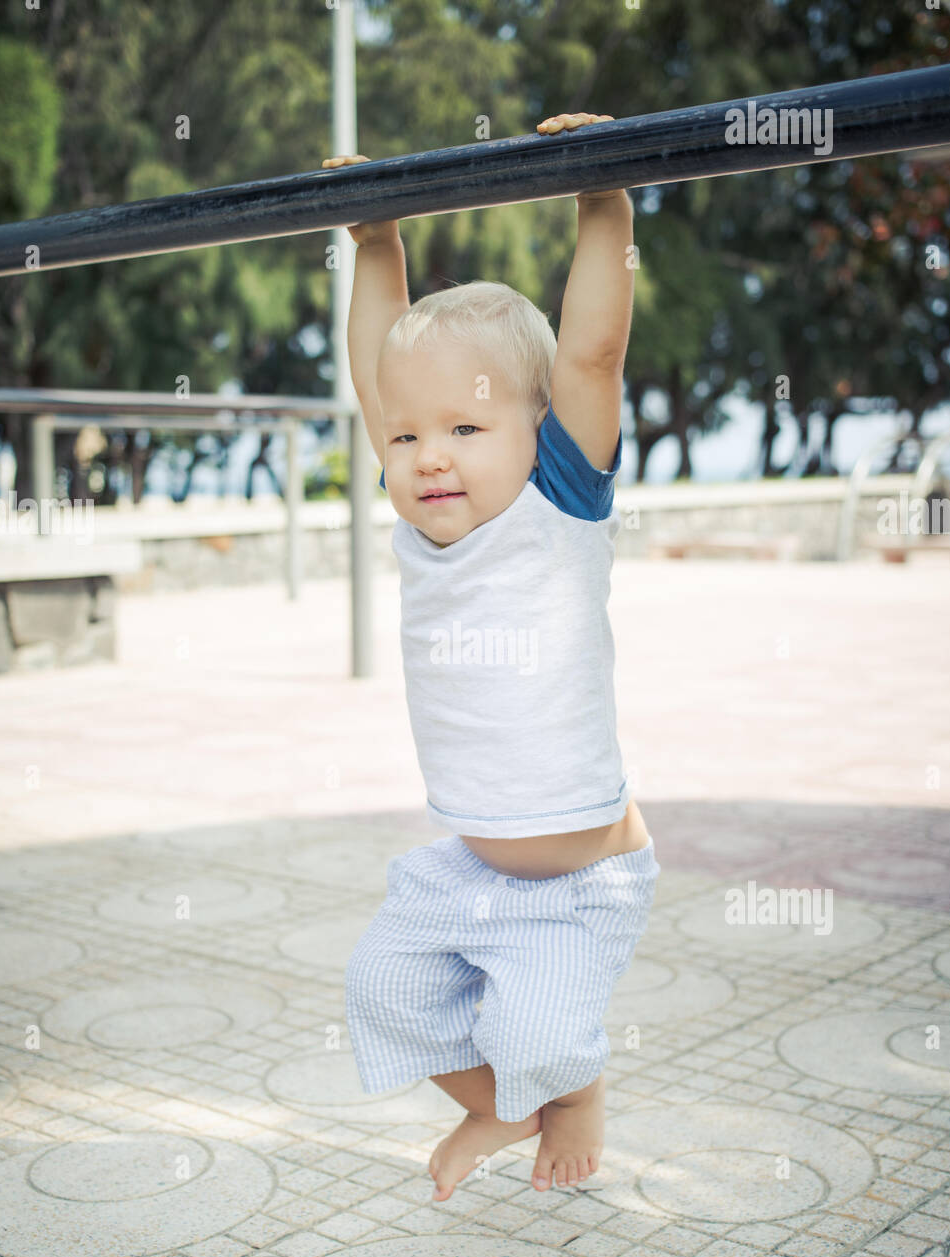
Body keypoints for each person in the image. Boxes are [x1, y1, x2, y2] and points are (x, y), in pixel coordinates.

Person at [326, 112, 661, 1201]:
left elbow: (593, 349)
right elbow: (378, 371)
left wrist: (602, 195)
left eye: (466, 430)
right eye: (409, 437)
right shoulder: (421, 529)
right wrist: (376, 237)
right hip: (467, 864)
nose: (428, 455)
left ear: (536, 431)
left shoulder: (557, 507)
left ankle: (572, 1090)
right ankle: (508, 1110)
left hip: (581, 883)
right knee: (382, 988)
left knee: (540, 1022)